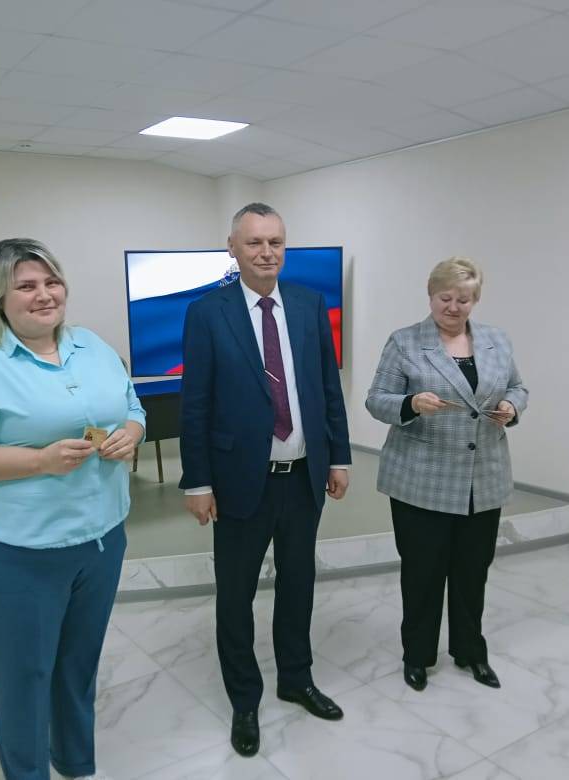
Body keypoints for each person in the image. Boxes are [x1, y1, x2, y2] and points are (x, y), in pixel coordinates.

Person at [0, 238, 145, 780]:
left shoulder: (92, 345)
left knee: (77, 665)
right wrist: (38, 462)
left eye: (51, 282)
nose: (44, 295)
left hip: (101, 541)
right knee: (23, 676)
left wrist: (132, 432)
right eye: (26, 286)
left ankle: (75, 762)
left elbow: (132, 405)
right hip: (18, 553)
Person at [180, 203, 352, 757]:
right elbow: (195, 403)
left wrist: (339, 456)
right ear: (232, 247)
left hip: (303, 476)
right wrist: (197, 482)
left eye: (275, 241)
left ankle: (296, 678)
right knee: (236, 595)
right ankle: (244, 699)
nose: (266, 252)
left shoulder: (307, 304)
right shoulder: (207, 313)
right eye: (254, 242)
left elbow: (327, 387)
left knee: (298, 584)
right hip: (238, 481)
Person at [365, 256, 527, 693]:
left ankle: (471, 651)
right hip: (421, 481)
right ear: (430, 295)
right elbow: (376, 399)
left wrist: (511, 406)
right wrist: (411, 403)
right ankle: (417, 656)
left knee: (473, 572)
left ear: (476, 300)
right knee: (423, 573)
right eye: (445, 298)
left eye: (464, 300)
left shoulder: (496, 340)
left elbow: (518, 387)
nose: (454, 307)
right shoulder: (405, 342)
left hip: (483, 478)